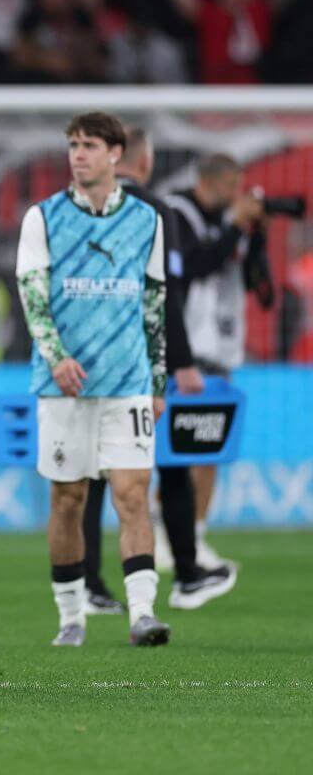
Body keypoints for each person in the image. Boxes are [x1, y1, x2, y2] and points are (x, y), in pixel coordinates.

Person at [16, 111, 170, 648]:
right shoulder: (43, 217)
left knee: (133, 493)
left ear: (115, 155)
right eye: (73, 145)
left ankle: (143, 614)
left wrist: (158, 380)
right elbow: (34, 297)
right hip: (65, 385)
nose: (78, 154)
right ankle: (70, 615)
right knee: (68, 498)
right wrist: (57, 356)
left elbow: (154, 303)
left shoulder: (146, 221)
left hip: (127, 378)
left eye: (89, 145)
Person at [81, 128, 237, 615]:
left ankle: (87, 584)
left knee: (92, 474)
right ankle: (186, 574)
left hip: (88, 357)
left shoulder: (75, 207)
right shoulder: (155, 210)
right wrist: (181, 362)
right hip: (143, 359)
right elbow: (164, 292)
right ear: (142, 161)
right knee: (169, 460)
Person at [165, 154, 269, 571]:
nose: (236, 194)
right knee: (177, 451)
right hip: (186, 353)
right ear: (211, 181)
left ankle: (196, 534)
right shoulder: (177, 213)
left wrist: (254, 234)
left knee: (208, 450)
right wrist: (233, 227)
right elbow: (193, 266)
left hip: (221, 351)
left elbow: (257, 284)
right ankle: (166, 535)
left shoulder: (231, 221)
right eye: (232, 185)